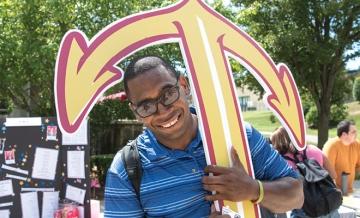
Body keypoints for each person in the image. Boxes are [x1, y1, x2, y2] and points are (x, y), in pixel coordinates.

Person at [104, 56, 303, 217]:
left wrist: (252, 189)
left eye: (167, 94)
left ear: (184, 85)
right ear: (135, 111)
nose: (163, 111)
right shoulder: (125, 170)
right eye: (146, 106)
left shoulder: (238, 135)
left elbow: (296, 195)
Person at [271, 127, 339, 218]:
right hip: (329, 205)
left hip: (304, 210)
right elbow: (333, 175)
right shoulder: (314, 149)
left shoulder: (280, 161)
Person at [323, 120, 360, 194]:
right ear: (344, 134)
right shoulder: (332, 145)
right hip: (333, 192)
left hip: (349, 191)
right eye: (353, 132)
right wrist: (335, 193)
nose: (356, 134)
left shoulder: (357, 144)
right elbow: (327, 172)